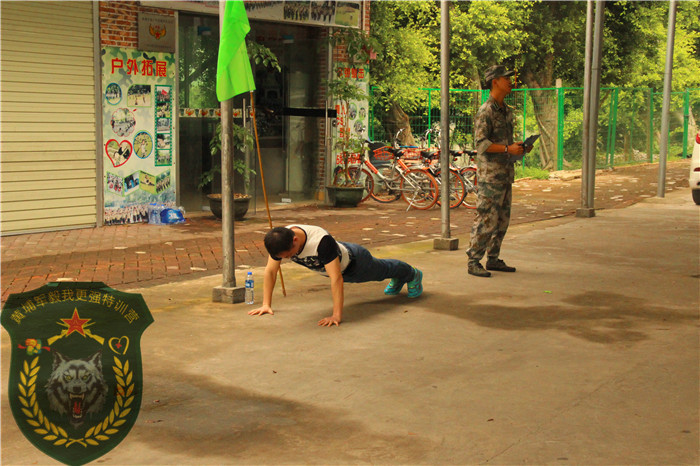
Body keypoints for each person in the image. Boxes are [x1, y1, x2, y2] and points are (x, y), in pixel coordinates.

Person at [248, 225, 423, 326]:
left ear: (295, 240)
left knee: (382, 270)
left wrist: (336, 315)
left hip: (355, 264)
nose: (288, 258)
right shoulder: (279, 240)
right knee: (382, 271)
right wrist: (266, 304)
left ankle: (412, 274)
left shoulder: (320, 242)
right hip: (337, 258)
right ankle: (401, 277)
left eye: (289, 255)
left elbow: (336, 278)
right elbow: (271, 271)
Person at [466, 65, 532, 278]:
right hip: (490, 176)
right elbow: (481, 144)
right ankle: (474, 260)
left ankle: (493, 258)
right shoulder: (486, 111)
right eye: (506, 78)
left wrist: (518, 148)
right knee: (486, 217)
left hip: (505, 173)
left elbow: (505, 143)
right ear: (494, 82)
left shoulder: (506, 111)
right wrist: (506, 149)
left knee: (502, 219)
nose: (510, 81)